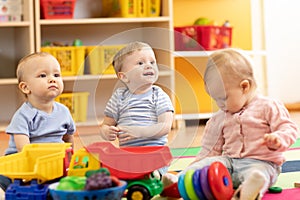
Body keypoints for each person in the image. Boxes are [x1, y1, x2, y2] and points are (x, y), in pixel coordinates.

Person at [163, 48, 298, 200]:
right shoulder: (219, 117)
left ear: (244, 86)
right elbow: (209, 149)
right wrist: (195, 168)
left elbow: (288, 128)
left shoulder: (269, 106)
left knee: (259, 174)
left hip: (262, 162)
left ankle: (248, 192)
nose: (220, 104)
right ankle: (177, 182)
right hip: (229, 162)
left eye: (223, 98)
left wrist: (278, 138)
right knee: (208, 163)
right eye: (216, 99)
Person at [0, 52, 76, 197]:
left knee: (71, 182)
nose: (52, 80)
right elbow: (24, 149)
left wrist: (69, 161)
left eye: (56, 75)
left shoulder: (64, 111)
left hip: (52, 163)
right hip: (22, 164)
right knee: (5, 178)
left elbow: (68, 138)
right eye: (43, 75)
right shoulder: (23, 116)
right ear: (25, 87)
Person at [99, 41, 174, 174]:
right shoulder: (119, 97)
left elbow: (165, 126)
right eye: (140, 63)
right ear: (124, 76)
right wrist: (106, 132)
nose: (148, 66)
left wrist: (139, 132)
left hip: (154, 154)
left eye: (152, 62)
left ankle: (155, 175)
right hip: (128, 155)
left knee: (154, 171)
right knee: (109, 168)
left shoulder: (159, 95)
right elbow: (105, 125)